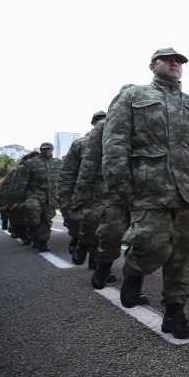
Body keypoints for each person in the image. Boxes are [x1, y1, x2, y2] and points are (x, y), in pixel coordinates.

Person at [103, 47, 189, 338]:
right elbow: (116, 140)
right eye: (168, 60)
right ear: (151, 66)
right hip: (151, 186)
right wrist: (121, 183)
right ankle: (134, 270)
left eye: (179, 61)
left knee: (184, 254)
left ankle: (175, 312)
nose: (175, 64)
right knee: (150, 243)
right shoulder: (133, 96)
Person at [76, 85, 137, 291]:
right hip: (109, 190)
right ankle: (103, 263)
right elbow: (89, 162)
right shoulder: (103, 128)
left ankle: (133, 281)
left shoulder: (145, 122)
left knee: (144, 238)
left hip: (143, 189)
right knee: (111, 232)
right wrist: (82, 194)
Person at [59, 111, 107, 264]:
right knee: (89, 222)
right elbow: (68, 172)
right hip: (86, 192)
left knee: (108, 228)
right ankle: (80, 241)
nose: (102, 122)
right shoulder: (80, 143)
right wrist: (65, 198)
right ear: (93, 123)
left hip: (110, 192)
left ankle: (96, 260)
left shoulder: (116, 141)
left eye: (105, 119)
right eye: (99, 120)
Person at [13, 143, 59, 251]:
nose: (47, 151)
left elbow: (63, 179)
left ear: (52, 150)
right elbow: (22, 181)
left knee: (47, 221)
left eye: (49, 149)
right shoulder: (30, 163)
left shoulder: (59, 163)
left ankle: (42, 242)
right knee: (31, 208)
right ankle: (33, 227)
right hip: (34, 193)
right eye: (45, 149)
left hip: (51, 196)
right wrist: (19, 199)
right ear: (41, 150)